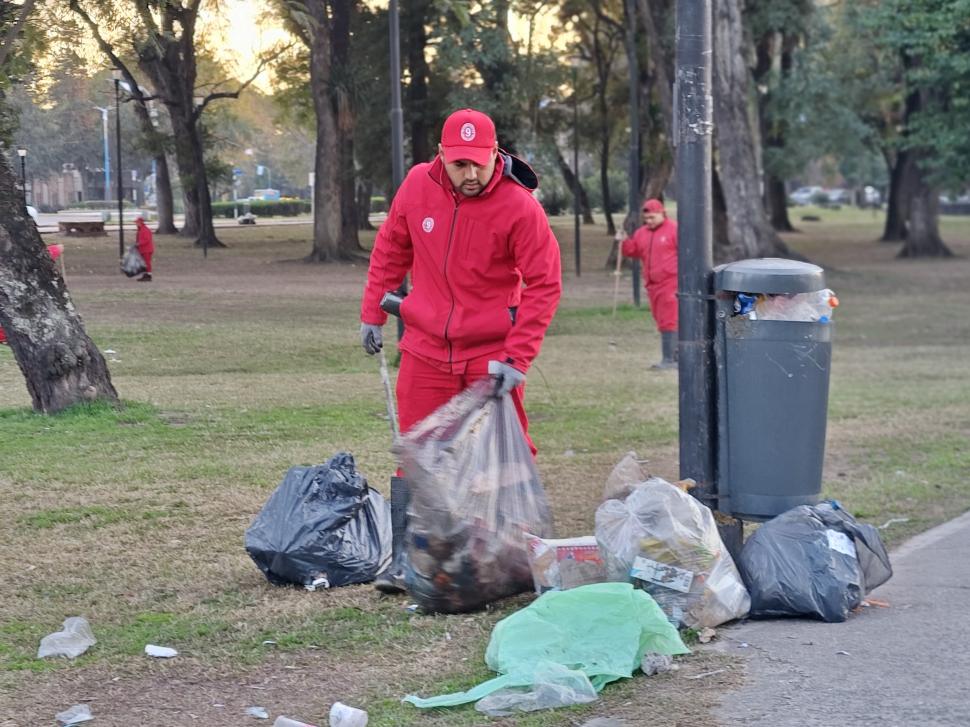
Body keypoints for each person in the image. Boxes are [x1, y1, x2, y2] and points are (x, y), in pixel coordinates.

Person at [359, 108, 562, 593]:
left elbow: (544, 284)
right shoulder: (416, 186)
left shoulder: (519, 207)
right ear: (442, 157)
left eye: (479, 164)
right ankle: (411, 562)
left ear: (496, 155)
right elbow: (391, 247)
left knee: (508, 457)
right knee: (416, 453)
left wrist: (517, 358)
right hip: (426, 348)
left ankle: (514, 558)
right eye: (459, 165)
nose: (470, 175)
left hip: (489, 357)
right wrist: (372, 312)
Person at [619, 198, 678, 369]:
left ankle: (670, 359)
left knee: (669, 320)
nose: (649, 222)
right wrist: (624, 242)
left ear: (662, 214)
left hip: (671, 282)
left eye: (652, 218)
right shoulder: (641, 233)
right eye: (646, 219)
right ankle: (674, 357)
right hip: (653, 284)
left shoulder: (674, 229)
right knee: (661, 319)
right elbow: (634, 251)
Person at [134, 216, 154, 282]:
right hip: (143, 249)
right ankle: (145, 275)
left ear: (141, 223)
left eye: (137, 222)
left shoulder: (145, 230)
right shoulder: (141, 229)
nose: (136, 224)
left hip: (146, 249)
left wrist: (138, 244)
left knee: (147, 263)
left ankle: (148, 276)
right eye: (136, 222)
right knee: (144, 263)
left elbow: (146, 240)